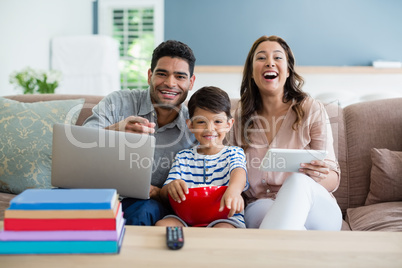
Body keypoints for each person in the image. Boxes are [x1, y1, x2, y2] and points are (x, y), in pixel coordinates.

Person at [229, 35, 342, 230]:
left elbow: (333, 178)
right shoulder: (238, 119)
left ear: (288, 70)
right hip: (262, 206)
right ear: (251, 72)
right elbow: (228, 170)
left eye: (278, 57)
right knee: (265, 211)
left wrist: (315, 176)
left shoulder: (311, 110)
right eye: (261, 58)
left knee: (298, 182)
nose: (270, 63)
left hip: (316, 207)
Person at [83, 40, 197, 225]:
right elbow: (80, 145)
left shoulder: (194, 126)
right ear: (150, 75)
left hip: (147, 205)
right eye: (162, 74)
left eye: (180, 77)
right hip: (101, 193)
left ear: (191, 82)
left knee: (144, 209)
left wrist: (161, 193)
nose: (170, 83)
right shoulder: (118, 101)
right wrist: (116, 130)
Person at [155, 86, 248, 228]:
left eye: (217, 121)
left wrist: (234, 191)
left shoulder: (234, 153)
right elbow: (165, 191)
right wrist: (170, 188)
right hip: (186, 217)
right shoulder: (183, 157)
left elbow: (239, 172)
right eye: (200, 122)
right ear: (190, 125)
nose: (209, 129)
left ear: (229, 124)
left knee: (224, 231)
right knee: (163, 225)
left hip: (224, 217)